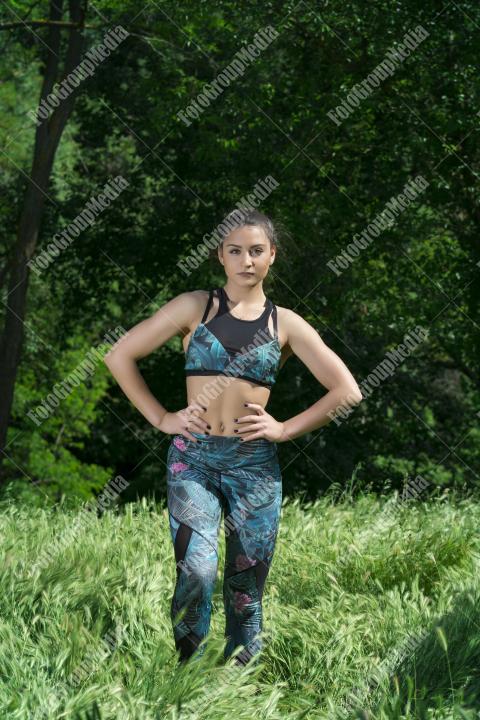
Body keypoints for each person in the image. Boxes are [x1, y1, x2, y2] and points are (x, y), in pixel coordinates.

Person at [104, 208, 362, 667]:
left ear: (272, 255)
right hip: (193, 461)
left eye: (256, 251)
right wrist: (162, 417)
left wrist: (284, 429)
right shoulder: (193, 307)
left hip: (254, 467)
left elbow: (348, 391)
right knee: (197, 572)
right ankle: (186, 677)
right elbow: (119, 355)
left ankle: (238, 689)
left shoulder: (286, 323)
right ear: (220, 256)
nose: (247, 260)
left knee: (245, 592)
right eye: (236, 251)